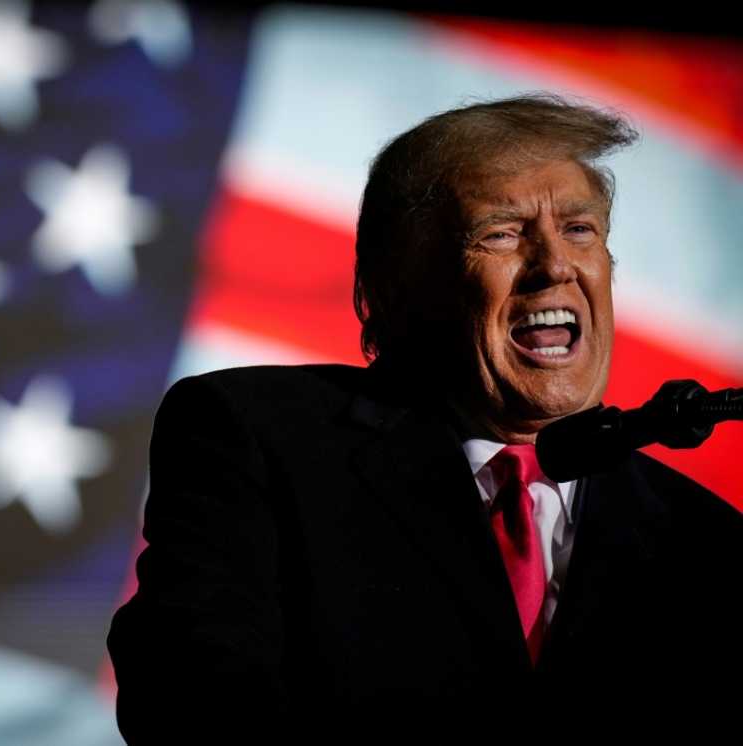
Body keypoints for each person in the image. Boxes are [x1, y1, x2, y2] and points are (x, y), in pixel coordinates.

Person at [106, 94, 743, 740]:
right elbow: (191, 702)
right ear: (397, 285)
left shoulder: (708, 542)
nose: (554, 265)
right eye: (501, 232)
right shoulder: (257, 440)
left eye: (580, 230)